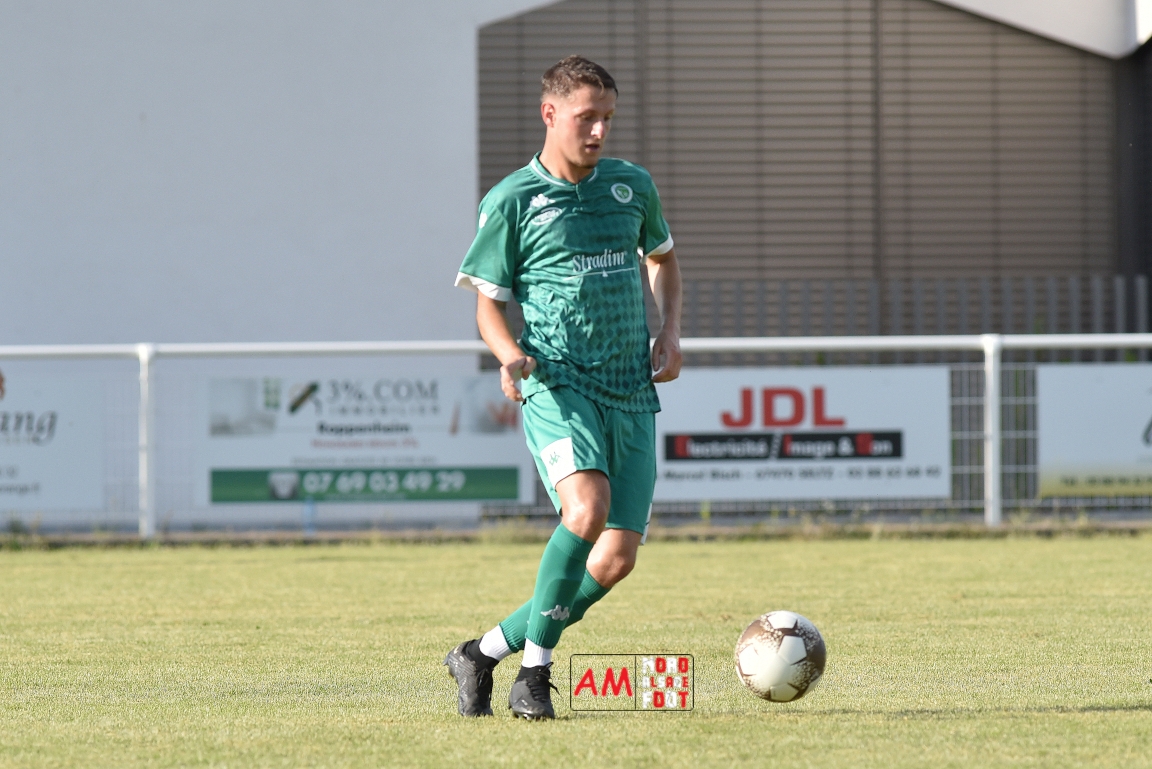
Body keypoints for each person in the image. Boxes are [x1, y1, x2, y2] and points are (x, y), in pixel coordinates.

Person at [445, 55, 682, 720]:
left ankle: (480, 652)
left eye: (608, 118)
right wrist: (509, 354)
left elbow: (663, 258)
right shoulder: (513, 200)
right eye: (586, 117)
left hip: (630, 387)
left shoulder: (631, 186)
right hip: (556, 381)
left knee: (615, 560)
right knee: (586, 509)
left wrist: (670, 330)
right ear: (550, 114)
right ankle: (534, 673)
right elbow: (488, 306)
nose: (599, 130)